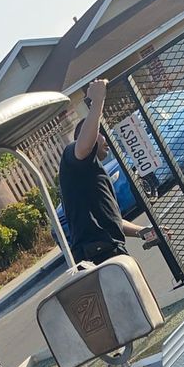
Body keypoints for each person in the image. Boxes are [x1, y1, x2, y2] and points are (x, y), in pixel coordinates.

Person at [59, 78, 160, 264]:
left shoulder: (92, 173)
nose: (106, 139)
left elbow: (112, 219)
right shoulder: (71, 155)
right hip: (98, 254)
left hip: (108, 250)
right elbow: (83, 146)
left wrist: (143, 232)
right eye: (101, 133)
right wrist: (97, 101)